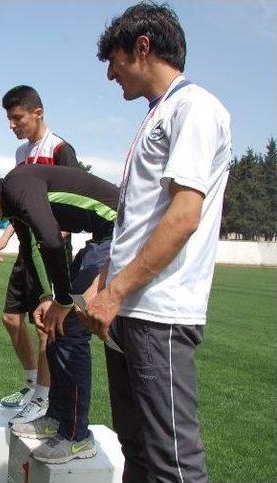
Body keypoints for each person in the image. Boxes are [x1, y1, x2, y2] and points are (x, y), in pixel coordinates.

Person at [82, 4, 232, 481]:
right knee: (138, 452)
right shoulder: (158, 114)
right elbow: (140, 219)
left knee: (174, 463)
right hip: (128, 310)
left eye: (115, 60)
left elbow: (183, 216)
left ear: (143, 47)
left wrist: (117, 292)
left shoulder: (195, 108)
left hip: (158, 314)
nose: (109, 74)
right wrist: (104, 283)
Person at [0, 161, 118, 464]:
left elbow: (51, 239)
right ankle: (56, 417)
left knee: (72, 324)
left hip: (121, 229)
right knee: (56, 324)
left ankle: (77, 436)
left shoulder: (17, 185)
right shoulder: (13, 202)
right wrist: (46, 297)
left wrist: (62, 300)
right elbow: (32, 248)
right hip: (103, 234)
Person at [0, 85, 80, 425]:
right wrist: (6, 235)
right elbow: (20, 205)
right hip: (27, 249)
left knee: (45, 324)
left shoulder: (61, 149)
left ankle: (43, 399)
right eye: (9, 119)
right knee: (10, 318)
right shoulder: (20, 155)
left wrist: (54, 238)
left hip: (51, 250)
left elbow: (73, 203)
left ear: (37, 113)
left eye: (17, 118)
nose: (12, 125)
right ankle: (31, 385)